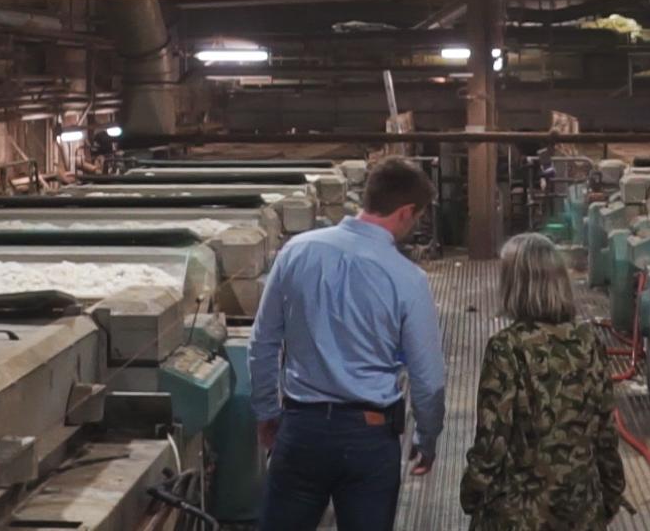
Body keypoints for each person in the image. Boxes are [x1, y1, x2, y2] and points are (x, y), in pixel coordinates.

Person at [249, 155, 445, 531]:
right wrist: (428, 436)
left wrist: (266, 411)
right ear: (406, 212)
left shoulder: (297, 252)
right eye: (417, 217)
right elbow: (428, 378)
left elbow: (263, 342)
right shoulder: (408, 279)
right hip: (369, 438)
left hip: (301, 429)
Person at [459, 232, 625, 530]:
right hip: (579, 510)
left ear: (514, 285)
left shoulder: (507, 347)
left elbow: (493, 440)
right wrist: (611, 492)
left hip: (519, 515)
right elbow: (605, 430)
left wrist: (471, 493)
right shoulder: (589, 341)